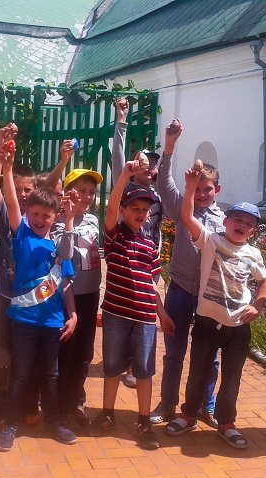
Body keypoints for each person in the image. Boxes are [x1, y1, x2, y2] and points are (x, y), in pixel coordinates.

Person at [165, 164, 266, 449]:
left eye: (248, 223)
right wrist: (190, 187)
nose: (241, 225)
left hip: (238, 328)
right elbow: (187, 216)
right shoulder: (210, 241)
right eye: (237, 219)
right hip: (207, 324)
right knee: (197, 372)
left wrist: (257, 306)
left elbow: (264, 283)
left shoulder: (253, 254)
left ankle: (226, 423)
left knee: (231, 379)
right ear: (225, 221)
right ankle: (188, 415)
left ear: (253, 231)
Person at [0, 125, 79, 452]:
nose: (40, 218)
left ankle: (54, 422)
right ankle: (11, 424)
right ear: (28, 214)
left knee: (51, 376)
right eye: (36, 214)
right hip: (24, 322)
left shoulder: (58, 246)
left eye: (47, 215)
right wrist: (7, 168)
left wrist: (73, 315)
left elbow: (66, 281)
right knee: (20, 374)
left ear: (55, 216)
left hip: (53, 323)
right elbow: (11, 201)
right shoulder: (23, 236)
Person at [88, 160, 175, 451]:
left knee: (144, 371)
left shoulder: (150, 245)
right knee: (112, 367)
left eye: (145, 210)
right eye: (134, 208)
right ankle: (107, 413)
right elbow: (110, 209)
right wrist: (125, 175)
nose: (140, 213)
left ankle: (143, 421)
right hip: (115, 315)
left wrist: (162, 314)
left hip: (146, 318)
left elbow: (152, 284)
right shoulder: (114, 237)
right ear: (124, 211)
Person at [151, 122, 224, 429]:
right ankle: (168, 404)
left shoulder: (226, 221)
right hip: (180, 290)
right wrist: (169, 146)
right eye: (199, 188)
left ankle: (206, 406)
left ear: (217, 190)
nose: (203, 194)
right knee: (174, 352)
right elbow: (163, 183)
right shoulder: (183, 209)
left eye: (208, 189)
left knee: (210, 356)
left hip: (209, 296)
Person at [0, 125, 40, 426]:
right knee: (4, 355)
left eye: (27, 190)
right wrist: (0, 149)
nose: (21, 194)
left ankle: (29, 404)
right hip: (6, 298)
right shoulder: (5, 216)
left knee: (29, 354)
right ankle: (2, 408)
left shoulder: (40, 219)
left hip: (33, 301)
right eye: (17, 189)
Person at [112, 97, 164, 389]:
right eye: (146, 164)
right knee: (127, 309)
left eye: (154, 166)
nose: (150, 168)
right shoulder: (128, 189)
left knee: (146, 313)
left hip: (150, 260)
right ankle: (121, 359)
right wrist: (121, 122)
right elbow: (117, 162)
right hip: (128, 258)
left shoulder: (158, 196)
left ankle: (136, 365)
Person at [50, 167, 103, 428]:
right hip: (67, 297)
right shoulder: (58, 222)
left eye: (91, 191)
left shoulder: (93, 221)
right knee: (66, 352)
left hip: (90, 295)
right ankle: (61, 405)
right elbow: (66, 255)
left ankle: (76, 401)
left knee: (84, 352)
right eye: (82, 190)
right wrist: (70, 218)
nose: (87, 196)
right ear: (69, 193)